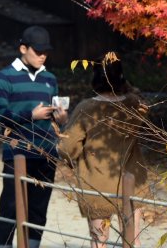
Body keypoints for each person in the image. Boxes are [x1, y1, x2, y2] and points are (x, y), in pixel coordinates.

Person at [58, 52, 148, 248]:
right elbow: (141, 103)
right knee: (133, 240)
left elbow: (66, 148)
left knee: (99, 241)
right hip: (132, 179)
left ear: (95, 76)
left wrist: (64, 125)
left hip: (96, 182)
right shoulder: (135, 105)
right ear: (121, 75)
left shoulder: (87, 108)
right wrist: (126, 86)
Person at [0, 26, 68, 248]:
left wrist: (61, 119)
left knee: (38, 209)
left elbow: (55, 115)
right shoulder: (5, 77)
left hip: (46, 153)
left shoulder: (50, 78)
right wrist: (29, 115)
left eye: (46, 51)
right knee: (10, 208)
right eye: (38, 50)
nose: (43, 55)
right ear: (23, 48)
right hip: (17, 153)